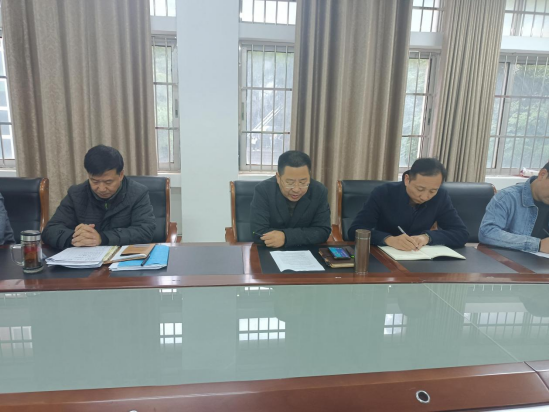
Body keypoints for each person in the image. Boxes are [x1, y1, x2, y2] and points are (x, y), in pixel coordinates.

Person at [43, 145, 156, 249]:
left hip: (122, 259)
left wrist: (102, 238)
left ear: (121, 175)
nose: (101, 189)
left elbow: (145, 231)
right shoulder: (76, 194)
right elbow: (50, 230)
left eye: (108, 182)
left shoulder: (138, 193)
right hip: (85, 260)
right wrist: (76, 238)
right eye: (95, 181)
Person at [348, 158, 469, 251]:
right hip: (383, 257)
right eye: (420, 189)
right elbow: (355, 230)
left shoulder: (440, 196)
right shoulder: (384, 193)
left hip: (420, 259)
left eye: (432, 191)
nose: (425, 196)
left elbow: (461, 233)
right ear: (407, 179)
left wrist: (427, 237)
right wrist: (388, 239)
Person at [250, 151, 332, 248]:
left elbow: (323, 231)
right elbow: (258, 232)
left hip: (306, 251)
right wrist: (304, 234)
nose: (296, 189)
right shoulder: (264, 190)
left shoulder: (319, 191)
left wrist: (286, 237)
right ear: (278, 177)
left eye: (303, 182)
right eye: (290, 182)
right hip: (270, 251)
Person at [479, 163, 549, 254]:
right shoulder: (506, 197)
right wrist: (538, 244)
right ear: (542, 174)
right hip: (508, 260)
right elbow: (487, 232)